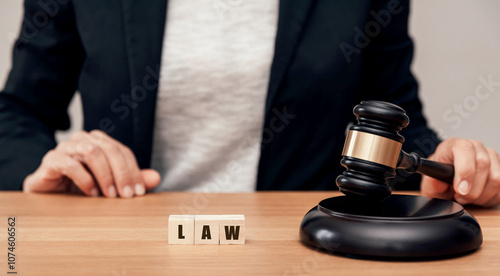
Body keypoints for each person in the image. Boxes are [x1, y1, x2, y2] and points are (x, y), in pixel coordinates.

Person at [0, 0, 499, 207]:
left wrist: (448, 166)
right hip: (127, 261)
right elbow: (17, 112)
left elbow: (393, 125)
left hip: (302, 267)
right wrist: (37, 169)